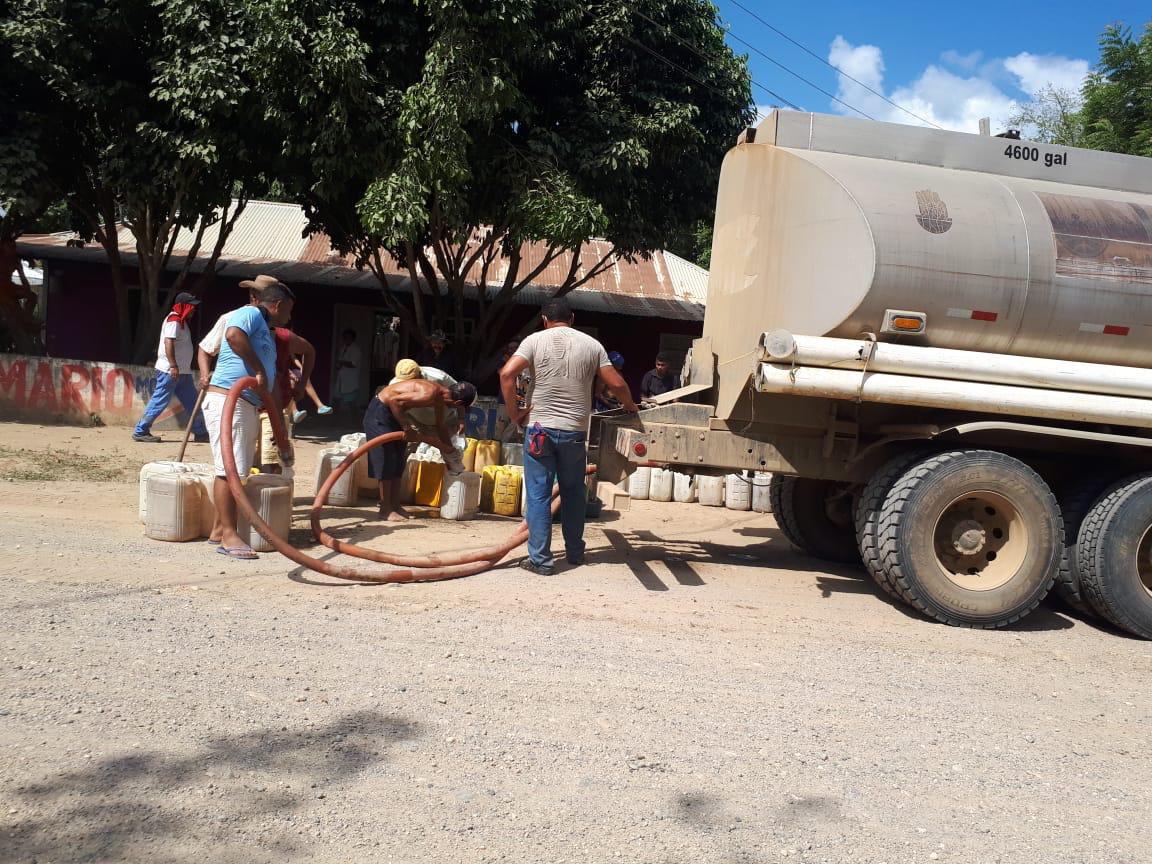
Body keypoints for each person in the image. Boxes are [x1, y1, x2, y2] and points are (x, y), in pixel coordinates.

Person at [500, 298, 637, 575]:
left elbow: (506, 374)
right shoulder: (591, 345)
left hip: (539, 430)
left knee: (539, 496)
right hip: (574, 431)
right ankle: (575, 553)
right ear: (572, 318)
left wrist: (516, 415)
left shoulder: (533, 341)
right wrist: (631, 407)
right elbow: (616, 383)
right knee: (574, 494)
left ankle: (541, 561)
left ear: (544, 319)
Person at [202, 283, 295, 559]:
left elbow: (272, 386)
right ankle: (229, 536)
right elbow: (232, 335)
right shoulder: (250, 314)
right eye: (289, 310)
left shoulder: (265, 333)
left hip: (248, 404)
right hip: (229, 399)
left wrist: (281, 433)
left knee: (237, 470)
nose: (290, 316)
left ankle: (220, 530)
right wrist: (256, 369)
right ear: (276, 305)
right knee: (229, 469)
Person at [365, 377, 477, 521]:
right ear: (458, 403)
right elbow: (394, 401)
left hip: (394, 414)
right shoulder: (429, 393)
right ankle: (385, 509)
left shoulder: (440, 396)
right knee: (387, 459)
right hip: (380, 412)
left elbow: (440, 426)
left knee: (398, 460)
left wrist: (450, 451)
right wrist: (406, 427)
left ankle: (395, 505)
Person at [132, 292, 209, 443]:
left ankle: (200, 432)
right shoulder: (174, 320)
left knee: (192, 402)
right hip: (171, 371)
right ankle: (141, 431)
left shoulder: (181, 322)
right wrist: (173, 365)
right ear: (183, 306)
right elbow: (169, 343)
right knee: (159, 401)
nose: (194, 309)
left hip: (182, 372)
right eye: (192, 306)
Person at [259, 327, 315, 473]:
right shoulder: (243, 332)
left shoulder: (282, 338)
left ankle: (274, 490)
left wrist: (301, 385)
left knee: (274, 460)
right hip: (249, 405)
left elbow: (309, 351)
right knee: (252, 459)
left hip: (272, 408)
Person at [333, 329, 362, 414]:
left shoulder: (356, 349)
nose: (346, 339)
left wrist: (342, 362)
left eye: (349, 337)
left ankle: (354, 422)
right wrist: (338, 365)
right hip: (341, 378)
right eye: (345, 338)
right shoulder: (343, 348)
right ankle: (335, 420)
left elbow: (354, 364)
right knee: (336, 399)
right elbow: (339, 362)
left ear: (353, 338)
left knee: (351, 402)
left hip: (350, 380)